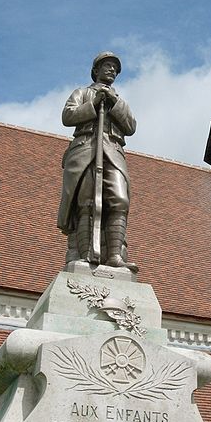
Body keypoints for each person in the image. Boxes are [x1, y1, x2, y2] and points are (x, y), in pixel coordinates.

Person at [57, 52, 138, 272]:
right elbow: (68, 116)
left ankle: (115, 256)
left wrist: (114, 103)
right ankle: (85, 255)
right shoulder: (81, 93)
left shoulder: (118, 100)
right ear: (96, 70)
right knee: (87, 202)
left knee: (120, 200)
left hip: (113, 150)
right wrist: (93, 104)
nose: (112, 70)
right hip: (86, 150)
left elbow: (131, 126)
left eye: (115, 68)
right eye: (107, 66)